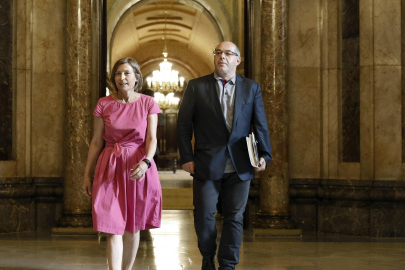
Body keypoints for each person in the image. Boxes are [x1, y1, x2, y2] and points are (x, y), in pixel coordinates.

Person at [177, 41, 272, 270]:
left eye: (228, 53)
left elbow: (260, 124)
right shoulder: (196, 86)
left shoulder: (252, 88)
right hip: (206, 164)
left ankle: (228, 264)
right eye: (218, 52)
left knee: (234, 217)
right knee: (204, 215)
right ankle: (208, 258)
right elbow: (183, 125)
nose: (222, 57)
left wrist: (264, 155)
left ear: (237, 60)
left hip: (241, 164)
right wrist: (187, 157)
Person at [82, 57, 162, 270]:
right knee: (111, 226)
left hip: (138, 167)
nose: (122, 77)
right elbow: (96, 141)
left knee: (132, 227)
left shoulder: (148, 103)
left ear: (137, 77)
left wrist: (146, 162)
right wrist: (86, 174)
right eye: (118, 73)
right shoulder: (103, 103)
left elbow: (152, 139)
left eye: (127, 73)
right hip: (109, 166)